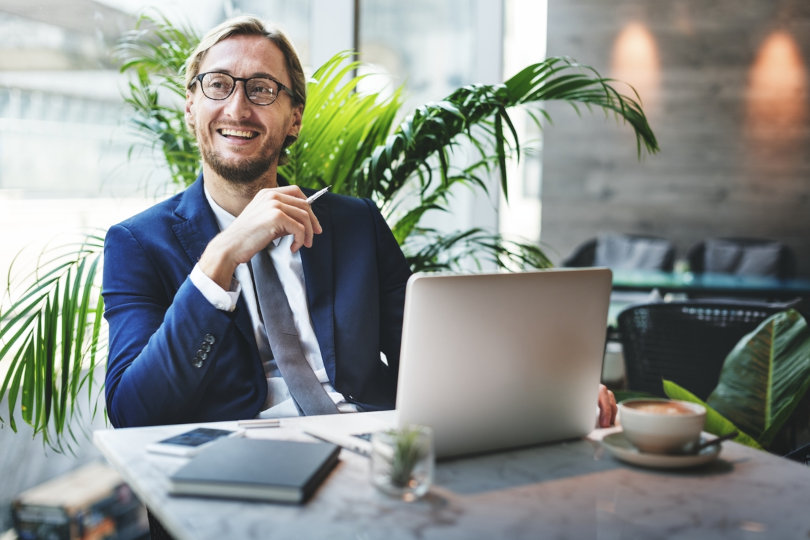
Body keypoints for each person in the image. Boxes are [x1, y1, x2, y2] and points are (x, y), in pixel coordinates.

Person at [102, 15, 617, 429]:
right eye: (218, 85)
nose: (237, 107)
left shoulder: (356, 224)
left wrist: (548, 390)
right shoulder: (138, 244)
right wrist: (222, 255)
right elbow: (133, 412)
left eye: (261, 89)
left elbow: (431, 355)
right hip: (235, 472)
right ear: (192, 106)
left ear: (294, 118)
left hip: (371, 453)